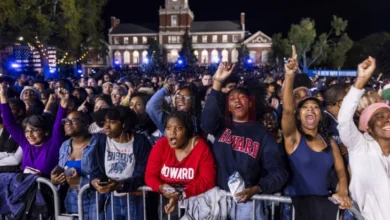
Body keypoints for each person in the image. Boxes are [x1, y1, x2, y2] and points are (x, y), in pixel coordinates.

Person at [201, 62, 288, 220]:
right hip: (219, 199)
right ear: (228, 107)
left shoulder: (262, 134)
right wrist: (218, 82)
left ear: (249, 103)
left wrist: (258, 188)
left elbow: (279, 171)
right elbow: (206, 122)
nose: (237, 100)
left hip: (248, 203)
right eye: (232, 98)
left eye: (242, 97)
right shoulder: (220, 128)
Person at [281, 46, 351, 218]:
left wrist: (342, 191)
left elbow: (341, 171)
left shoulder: (329, 142)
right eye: (305, 108)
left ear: (321, 114)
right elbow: (288, 111)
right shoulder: (293, 139)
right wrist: (290, 76)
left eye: (315, 108)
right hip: (296, 209)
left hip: (324, 208)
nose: (310, 111)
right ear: (299, 114)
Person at [338, 57, 390, 220]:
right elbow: (345, 120)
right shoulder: (360, 146)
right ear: (367, 126)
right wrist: (361, 81)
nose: (387, 120)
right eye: (380, 117)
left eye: (389, 116)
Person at [145, 111, 215, 217]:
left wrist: (182, 194)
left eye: (178, 128)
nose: (172, 132)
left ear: (187, 131)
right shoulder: (161, 145)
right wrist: (161, 187)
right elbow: (150, 175)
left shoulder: (200, 147)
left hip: (195, 203)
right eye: (168, 128)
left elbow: (208, 180)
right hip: (167, 202)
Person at [90, 106, 151, 220]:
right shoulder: (102, 141)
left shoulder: (140, 141)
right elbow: (96, 167)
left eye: (112, 122)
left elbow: (142, 171)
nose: (106, 126)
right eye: (104, 122)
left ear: (124, 123)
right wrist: (95, 181)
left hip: (134, 196)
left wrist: (121, 185)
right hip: (111, 197)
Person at [0, 84, 68, 177]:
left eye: (34, 130)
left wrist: (64, 102)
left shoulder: (54, 144)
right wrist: (3, 95)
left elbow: (58, 126)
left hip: (46, 190)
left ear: (46, 132)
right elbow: (9, 124)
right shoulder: (26, 143)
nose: (30, 135)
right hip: (26, 189)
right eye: (27, 131)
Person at [51, 111, 104, 219]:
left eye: (73, 120)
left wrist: (80, 181)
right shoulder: (65, 145)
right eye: (66, 121)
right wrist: (55, 179)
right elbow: (61, 168)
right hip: (72, 197)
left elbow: (104, 172)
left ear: (86, 124)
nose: (68, 123)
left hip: (95, 198)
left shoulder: (98, 143)